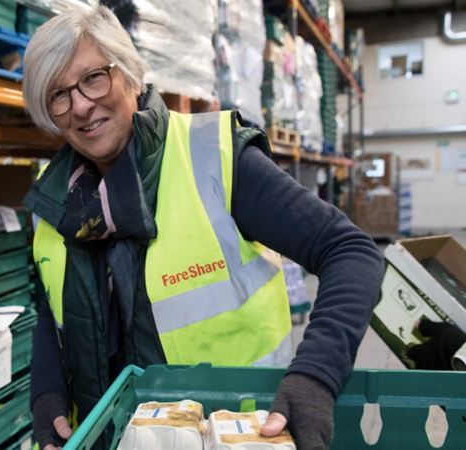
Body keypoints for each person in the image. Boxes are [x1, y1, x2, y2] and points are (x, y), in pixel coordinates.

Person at [21, 6, 384, 450]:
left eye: (94, 77)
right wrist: (47, 392)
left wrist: (315, 376)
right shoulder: (52, 199)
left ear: (131, 74)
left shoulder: (216, 158)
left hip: (227, 437)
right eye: (58, 94)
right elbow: (48, 309)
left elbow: (350, 251)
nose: (80, 105)